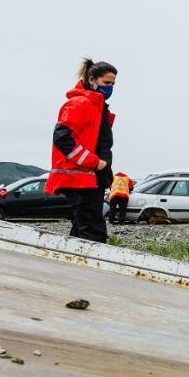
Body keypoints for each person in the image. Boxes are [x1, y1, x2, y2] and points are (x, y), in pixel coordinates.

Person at [46, 58, 117, 243]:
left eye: (112, 84)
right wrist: (94, 162)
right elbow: (62, 138)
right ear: (92, 80)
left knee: (82, 228)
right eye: (106, 83)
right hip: (82, 177)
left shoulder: (97, 107)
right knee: (93, 232)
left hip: (92, 177)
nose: (110, 88)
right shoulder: (80, 104)